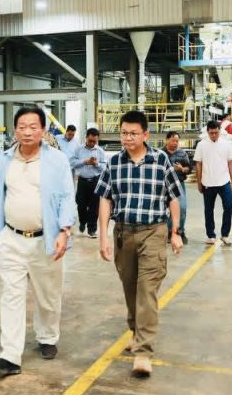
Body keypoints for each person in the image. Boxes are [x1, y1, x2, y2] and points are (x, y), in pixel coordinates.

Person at [0, 106, 76, 377]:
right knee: (10, 296)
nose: (27, 132)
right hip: (11, 239)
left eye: (33, 127)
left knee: (48, 296)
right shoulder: (5, 159)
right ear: (15, 130)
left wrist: (64, 231)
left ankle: (47, 337)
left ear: (43, 130)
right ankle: (10, 355)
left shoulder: (57, 160)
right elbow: (1, 195)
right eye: (22, 127)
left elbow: (66, 196)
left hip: (44, 240)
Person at [96, 110, 184, 379]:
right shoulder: (114, 163)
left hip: (153, 232)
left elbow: (173, 197)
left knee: (147, 290)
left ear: (146, 134)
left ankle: (144, 352)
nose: (128, 138)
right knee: (131, 289)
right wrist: (103, 236)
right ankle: (136, 332)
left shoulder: (160, 161)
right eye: (124, 133)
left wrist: (175, 232)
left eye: (133, 133)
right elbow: (105, 199)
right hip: (123, 233)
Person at [194, 119, 232, 246]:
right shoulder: (201, 145)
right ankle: (211, 235)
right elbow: (198, 165)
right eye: (211, 133)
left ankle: (225, 235)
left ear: (220, 131)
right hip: (207, 182)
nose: (214, 135)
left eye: (216, 133)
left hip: (224, 182)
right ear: (207, 132)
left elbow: (231, 163)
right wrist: (199, 183)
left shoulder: (227, 144)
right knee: (208, 210)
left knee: (228, 207)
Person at [70, 128, 106, 239]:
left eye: (94, 141)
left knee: (94, 207)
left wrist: (97, 164)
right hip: (82, 181)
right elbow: (72, 163)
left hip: (95, 181)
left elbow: (105, 167)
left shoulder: (100, 151)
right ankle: (82, 221)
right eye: (90, 140)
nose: (92, 143)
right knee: (81, 205)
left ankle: (92, 230)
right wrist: (84, 161)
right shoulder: (78, 149)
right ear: (86, 138)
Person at [163, 131, 192, 245]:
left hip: (179, 184)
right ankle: (169, 232)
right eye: (173, 140)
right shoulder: (160, 154)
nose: (175, 143)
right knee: (166, 210)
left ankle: (180, 231)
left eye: (177, 141)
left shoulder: (182, 154)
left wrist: (181, 169)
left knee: (182, 208)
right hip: (164, 185)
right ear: (167, 140)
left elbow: (189, 169)